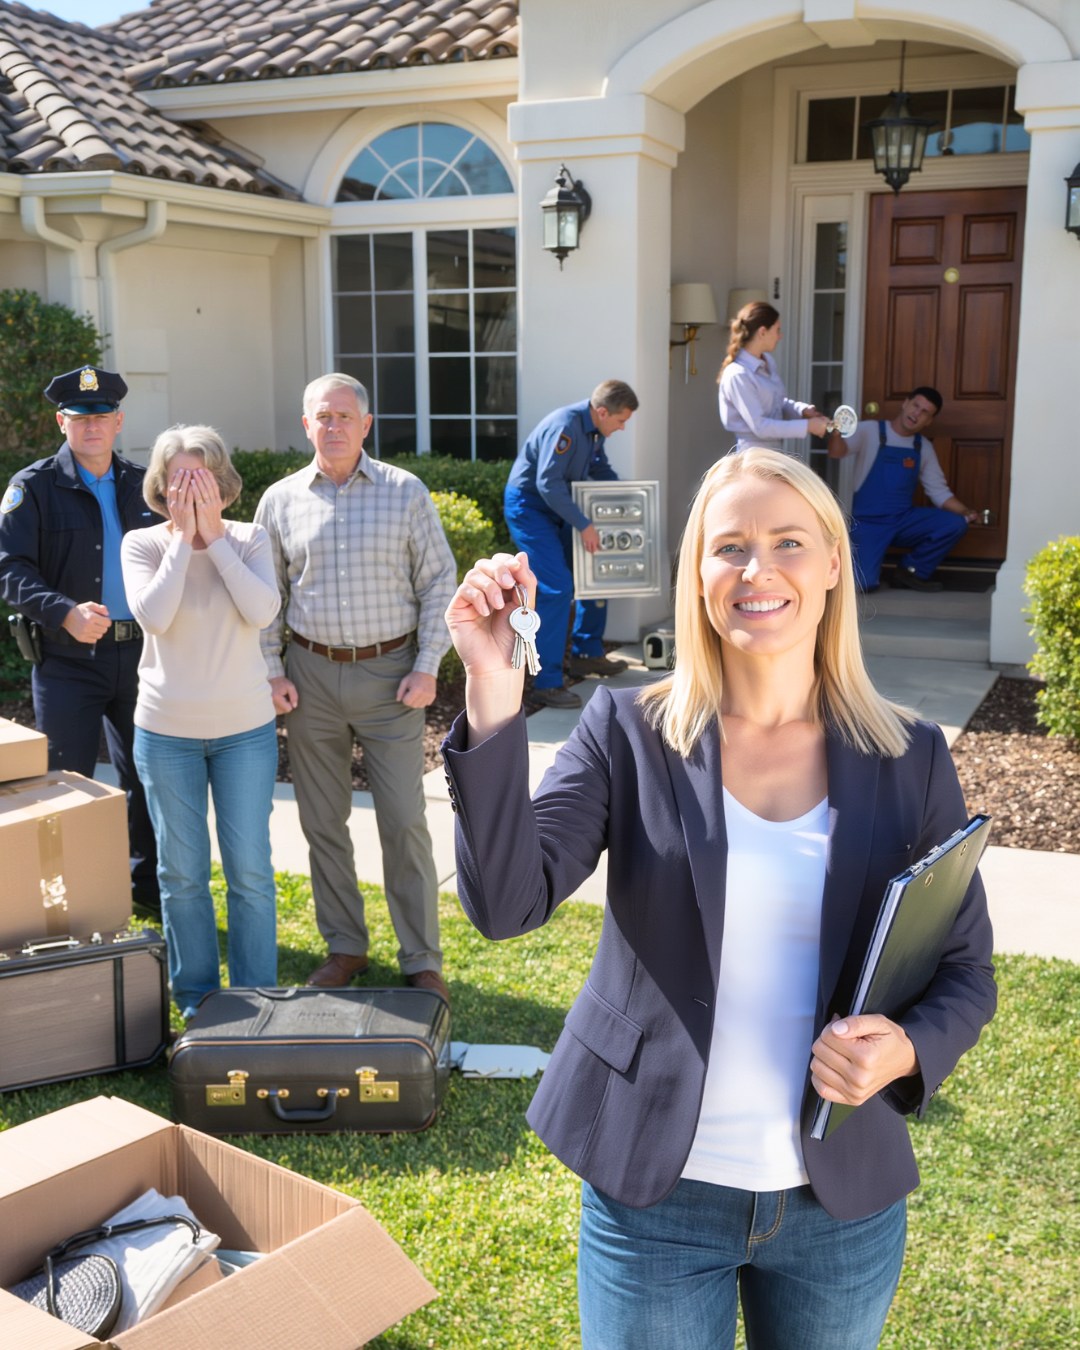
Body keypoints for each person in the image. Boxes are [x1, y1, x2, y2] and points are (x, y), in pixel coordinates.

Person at [442, 448, 996, 1349]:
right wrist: (494, 689)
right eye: (728, 546)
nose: (757, 570)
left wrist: (904, 1047)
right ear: (697, 573)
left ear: (829, 568)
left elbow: (968, 973)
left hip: (839, 1207)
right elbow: (506, 904)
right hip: (654, 1197)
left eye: (787, 542)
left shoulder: (911, 754)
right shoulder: (628, 730)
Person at [255, 373, 456, 1002]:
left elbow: (439, 582)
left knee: (403, 821)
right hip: (309, 678)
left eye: (346, 416)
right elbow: (267, 598)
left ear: (366, 425)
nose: (334, 426)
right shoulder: (280, 500)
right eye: (323, 416)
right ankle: (345, 946)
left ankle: (420, 956)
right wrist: (272, 670)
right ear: (306, 425)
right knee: (323, 823)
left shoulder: (404, 493)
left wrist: (427, 665)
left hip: (392, 677)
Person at [121, 425, 281, 1020]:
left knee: (250, 871)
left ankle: (256, 998)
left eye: (201, 477)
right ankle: (196, 1002)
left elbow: (262, 611)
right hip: (166, 734)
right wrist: (185, 542)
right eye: (179, 478)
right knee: (182, 873)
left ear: (222, 483)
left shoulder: (250, 538)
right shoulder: (142, 545)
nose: (189, 489)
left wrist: (215, 541)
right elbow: (155, 617)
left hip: (244, 731)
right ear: (161, 486)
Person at [0, 365, 161, 918]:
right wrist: (63, 612)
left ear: (118, 421)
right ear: (60, 421)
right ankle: (63, 902)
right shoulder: (33, 487)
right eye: (79, 416)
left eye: (101, 416)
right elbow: (9, 568)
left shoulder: (145, 484)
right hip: (69, 661)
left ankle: (147, 892)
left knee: (147, 776)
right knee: (66, 782)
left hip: (143, 655)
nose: (91, 426)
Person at [503, 380, 639, 709]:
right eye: (620, 420)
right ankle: (546, 683)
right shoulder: (565, 427)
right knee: (556, 587)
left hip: (560, 508)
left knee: (595, 567)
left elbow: (597, 467)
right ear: (603, 411)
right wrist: (585, 524)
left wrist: (630, 499)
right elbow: (547, 482)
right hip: (532, 509)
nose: (622, 428)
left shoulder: (593, 431)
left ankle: (586, 653)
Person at [829, 386, 981, 593]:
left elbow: (938, 491)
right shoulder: (870, 430)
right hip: (868, 523)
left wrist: (966, 512)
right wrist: (836, 431)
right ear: (905, 403)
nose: (917, 413)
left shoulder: (923, 447)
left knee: (954, 523)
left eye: (925, 412)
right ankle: (869, 570)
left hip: (902, 520)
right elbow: (837, 453)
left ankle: (911, 571)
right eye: (916, 405)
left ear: (929, 421)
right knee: (863, 585)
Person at [717, 301, 828, 457]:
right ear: (762, 332)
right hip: (753, 458)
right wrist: (808, 426)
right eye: (777, 330)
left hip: (775, 455)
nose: (780, 336)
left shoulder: (768, 361)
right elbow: (760, 427)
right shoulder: (738, 375)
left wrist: (802, 411)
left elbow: (777, 403)